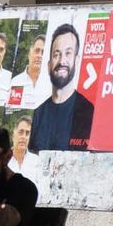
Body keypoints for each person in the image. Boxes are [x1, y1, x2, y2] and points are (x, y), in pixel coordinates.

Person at [27, 24, 94, 152]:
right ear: (48, 65)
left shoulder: (89, 112)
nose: (62, 61)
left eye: (68, 53)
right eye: (56, 55)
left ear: (77, 60)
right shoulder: (37, 114)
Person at [8, 35, 51, 109]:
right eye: (37, 51)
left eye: (43, 52)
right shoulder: (16, 82)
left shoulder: (51, 84)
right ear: (29, 54)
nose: (39, 55)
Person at [7, 115, 40, 180]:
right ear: (13, 135)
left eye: (27, 133)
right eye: (21, 132)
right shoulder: (4, 160)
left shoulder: (37, 162)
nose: (24, 137)